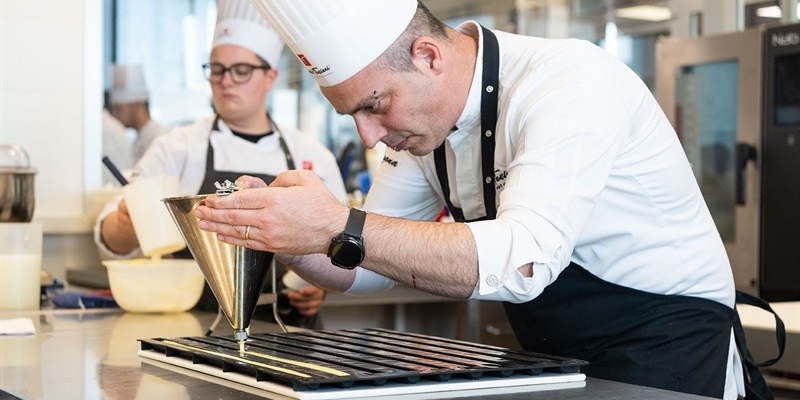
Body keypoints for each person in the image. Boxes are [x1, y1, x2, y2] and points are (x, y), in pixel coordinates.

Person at [192, 0, 787, 398]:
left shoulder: (569, 83)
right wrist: (283, 232)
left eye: (373, 105)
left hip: (670, 356)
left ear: (429, 57)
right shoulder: (422, 129)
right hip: (562, 363)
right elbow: (364, 263)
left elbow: (524, 261)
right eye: (353, 116)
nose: (369, 136)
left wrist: (332, 225)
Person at [94, 0, 347, 329]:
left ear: (270, 76)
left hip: (290, 334)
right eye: (216, 69)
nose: (226, 81)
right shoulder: (178, 147)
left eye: (241, 70)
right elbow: (111, 240)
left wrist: (319, 287)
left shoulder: (310, 154)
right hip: (195, 330)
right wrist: (127, 222)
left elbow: (342, 248)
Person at [108, 64, 169, 161]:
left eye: (118, 109)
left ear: (137, 106)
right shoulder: (137, 141)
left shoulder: (160, 138)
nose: (114, 115)